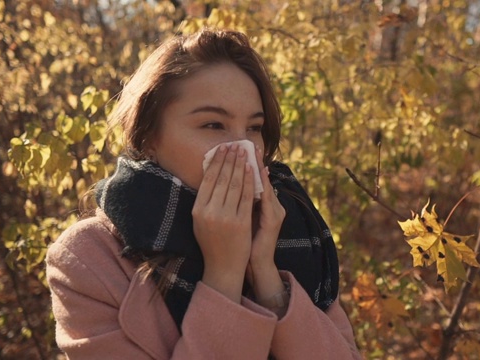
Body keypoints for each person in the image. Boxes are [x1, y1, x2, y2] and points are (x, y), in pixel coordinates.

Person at [46, 28, 361, 359]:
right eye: (213, 125)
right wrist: (224, 274)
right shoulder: (89, 258)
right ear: (149, 138)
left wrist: (266, 275)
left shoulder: (293, 230)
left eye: (254, 128)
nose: (243, 150)